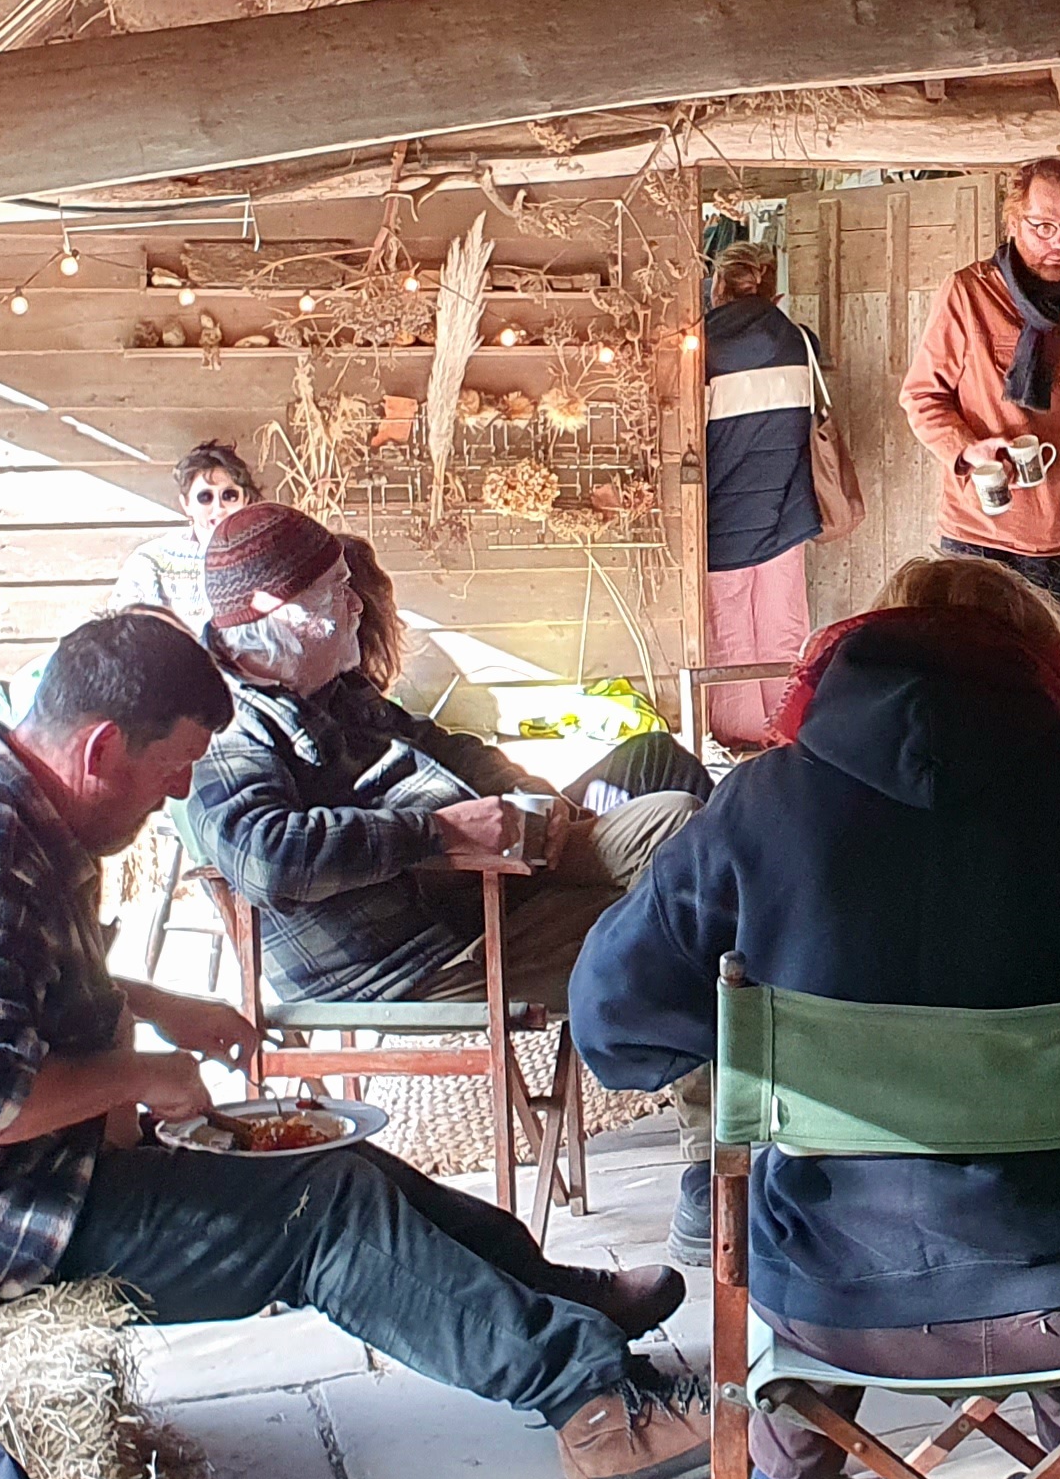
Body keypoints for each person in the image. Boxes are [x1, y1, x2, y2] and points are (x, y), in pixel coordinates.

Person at [0, 609, 716, 1479]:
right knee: (324, 1215)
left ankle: (554, 1299)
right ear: (101, 750)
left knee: (334, 1169)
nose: (179, 795)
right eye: (171, 769)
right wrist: (140, 1076)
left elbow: (5, 992)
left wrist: (149, 1005)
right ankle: (596, 1415)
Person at [571, 556, 1060, 1479]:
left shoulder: (762, 804)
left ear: (862, 650)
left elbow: (611, 1023)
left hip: (832, 1301)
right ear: (1033, 665)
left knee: (835, 1203)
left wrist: (756, 1036)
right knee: (1052, 1203)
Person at [173, 505, 720, 1236]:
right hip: (419, 953)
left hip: (483, 883)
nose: (357, 602)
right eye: (339, 589)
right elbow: (264, 854)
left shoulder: (328, 690)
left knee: (680, 821)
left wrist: (533, 798)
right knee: (671, 925)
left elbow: (449, 746)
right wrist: (434, 833)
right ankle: (713, 1164)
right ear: (278, 610)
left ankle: (753, 1074)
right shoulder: (228, 724)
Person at [899, 156, 1060, 672]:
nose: (1059, 242)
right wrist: (966, 448)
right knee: (969, 692)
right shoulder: (968, 294)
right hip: (978, 537)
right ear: (1014, 222)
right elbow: (921, 396)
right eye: (1043, 226)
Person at [701, 244, 824, 748]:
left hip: (722, 518)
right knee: (784, 630)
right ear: (774, 290)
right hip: (787, 515)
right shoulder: (801, 341)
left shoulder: (699, 348)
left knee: (730, 638)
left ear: (717, 289)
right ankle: (786, 733)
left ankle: (739, 741)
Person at [109, 442, 259, 628]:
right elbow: (120, 636)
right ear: (186, 504)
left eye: (229, 496)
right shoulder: (150, 561)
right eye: (205, 497)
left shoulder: (268, 554)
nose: (219, 509)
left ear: (245, 499)